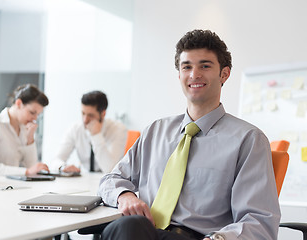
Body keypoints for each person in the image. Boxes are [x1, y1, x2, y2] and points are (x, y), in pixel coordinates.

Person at [98, 30, 280, 240]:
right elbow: (110, 179)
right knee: (127, 226)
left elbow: (259, 221)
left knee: (128, 229)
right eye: (187, 67)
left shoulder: (248, 139)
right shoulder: (155, 131)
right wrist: (125, 195)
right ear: (179, 75)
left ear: (224, 74)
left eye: (205, 65)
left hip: (198, 237)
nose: (194, 75)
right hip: (144, 231)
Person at [52, 90, 127, 173]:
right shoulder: (76, 129)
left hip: (108, 181)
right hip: (85, 179)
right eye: (83, 113)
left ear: (103, 114)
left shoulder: (118, 129)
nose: (85, 120)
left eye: (90, 115)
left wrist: (96, 135)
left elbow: (110, 169)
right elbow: (56, 160)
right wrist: (63, 167)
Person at [0, 84, 49, 175]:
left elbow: (31, 167)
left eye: (38, 115)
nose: (34, 118)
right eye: (32, 113)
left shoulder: (25, 128)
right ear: (19, 103)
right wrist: (26, 171)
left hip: (16, 186)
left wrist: (30, 139)